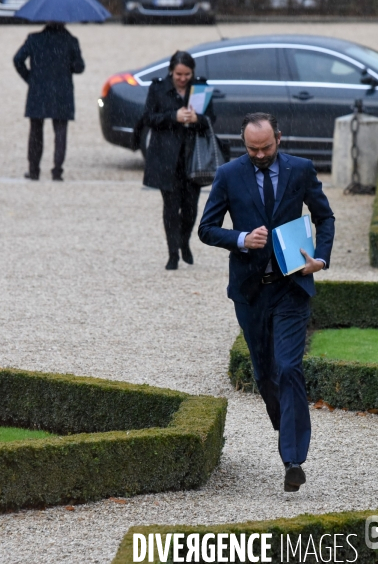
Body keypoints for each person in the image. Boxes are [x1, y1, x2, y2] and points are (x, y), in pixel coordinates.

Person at [198, 112, 335, 491]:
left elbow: (325, 217)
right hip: (250, 291)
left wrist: (320, 258)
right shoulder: (228, 174)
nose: (259, 155)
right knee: (265, 375)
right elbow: (206, 229)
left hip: (292, 287)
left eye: (266, 148)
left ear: (279, 138)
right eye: (252, 149)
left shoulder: (301, 170)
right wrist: (241, 238)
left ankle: (293, 460)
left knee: (289, 367)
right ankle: (287, 428)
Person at [142, 50, 215, 270]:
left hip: (193, 157)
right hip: (166, 158)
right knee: (171, 208)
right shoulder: (157, 88)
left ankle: (184, 241)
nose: (183, 78)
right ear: (171, 72)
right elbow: (148, 118)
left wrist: (197, 119)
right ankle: (172, 253)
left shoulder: (200, 88)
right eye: (179, 74)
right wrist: (172, 117)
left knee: (191, 207)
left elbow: (212, 119)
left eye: (187, 74)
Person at [13, 23, 85, 181]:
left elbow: (18, 59)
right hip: (62, 92)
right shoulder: (71, 41)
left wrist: (30, 78)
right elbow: (80, 67)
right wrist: (68, 64)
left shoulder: (34, 39)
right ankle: (57, 171)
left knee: (35, 132)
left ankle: (33, 170)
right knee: (60, 132)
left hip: (38, 91)